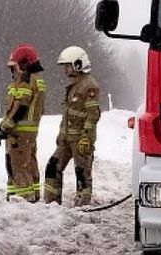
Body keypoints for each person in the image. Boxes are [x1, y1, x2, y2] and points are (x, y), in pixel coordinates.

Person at [44, 46, 101, 207]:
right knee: (52, 167)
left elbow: (93, 114)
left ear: (77, 64)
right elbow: (69, 114)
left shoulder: (89, 85)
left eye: (67, 65)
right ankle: (51, 203)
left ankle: (83, 205)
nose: (65, 69)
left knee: (82, 172)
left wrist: (86, 138)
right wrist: (61, 136)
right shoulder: (74, 86)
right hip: (67, 139)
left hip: (80, 140)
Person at [0, 44, 46, 202]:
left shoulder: (25, 82)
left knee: (19, 166)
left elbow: (20, 107)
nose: (12, 71)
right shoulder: (36, 81)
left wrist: (5, 127)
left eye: (14, 67)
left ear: (24, 65)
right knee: (28, 163)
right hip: (28, 133)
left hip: (19, 133)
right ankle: (32, 195)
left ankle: (23, 199)